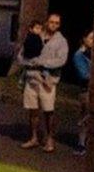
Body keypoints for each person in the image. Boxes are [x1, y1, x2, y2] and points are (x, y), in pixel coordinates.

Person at [19, 13, 69, 153]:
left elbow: (61, 60)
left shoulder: (61, 41)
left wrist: (42, 63)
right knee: (32, 109)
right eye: (51, 22)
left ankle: (49, 138)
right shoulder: (36, 35)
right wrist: (30, 63)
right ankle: (34, 137)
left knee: (48, 111)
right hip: (31, 78)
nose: (53, 24)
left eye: (57, 23)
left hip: (47, 80)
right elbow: (21, 55)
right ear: (47, 22)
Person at [72, 29, 94, 156]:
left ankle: (85, 143)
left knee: (88, 118)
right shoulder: (79, 55)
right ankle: (81, 144)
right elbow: (84, 75)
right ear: (84, 39)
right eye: (91, 38)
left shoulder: (91, 54)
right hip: (86, 91)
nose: (93, 41)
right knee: (85, 117)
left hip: (92, 90)